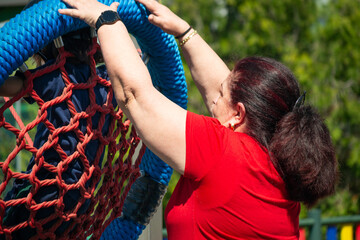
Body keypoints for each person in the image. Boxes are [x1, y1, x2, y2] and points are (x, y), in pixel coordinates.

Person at [59, 0, 338, 239]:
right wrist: (184, 31)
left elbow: (135, 96)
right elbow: (222, 85)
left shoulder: (225, 153)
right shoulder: (276, 160)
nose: (214, 96)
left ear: (239, 115)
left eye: (222, 94)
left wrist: (105, 19)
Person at [0, 1, 117, 238]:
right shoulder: (105, 81)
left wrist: (13, 51)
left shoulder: (54, 77)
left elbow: (7, 84)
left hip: (44, 191)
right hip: (82, 201)